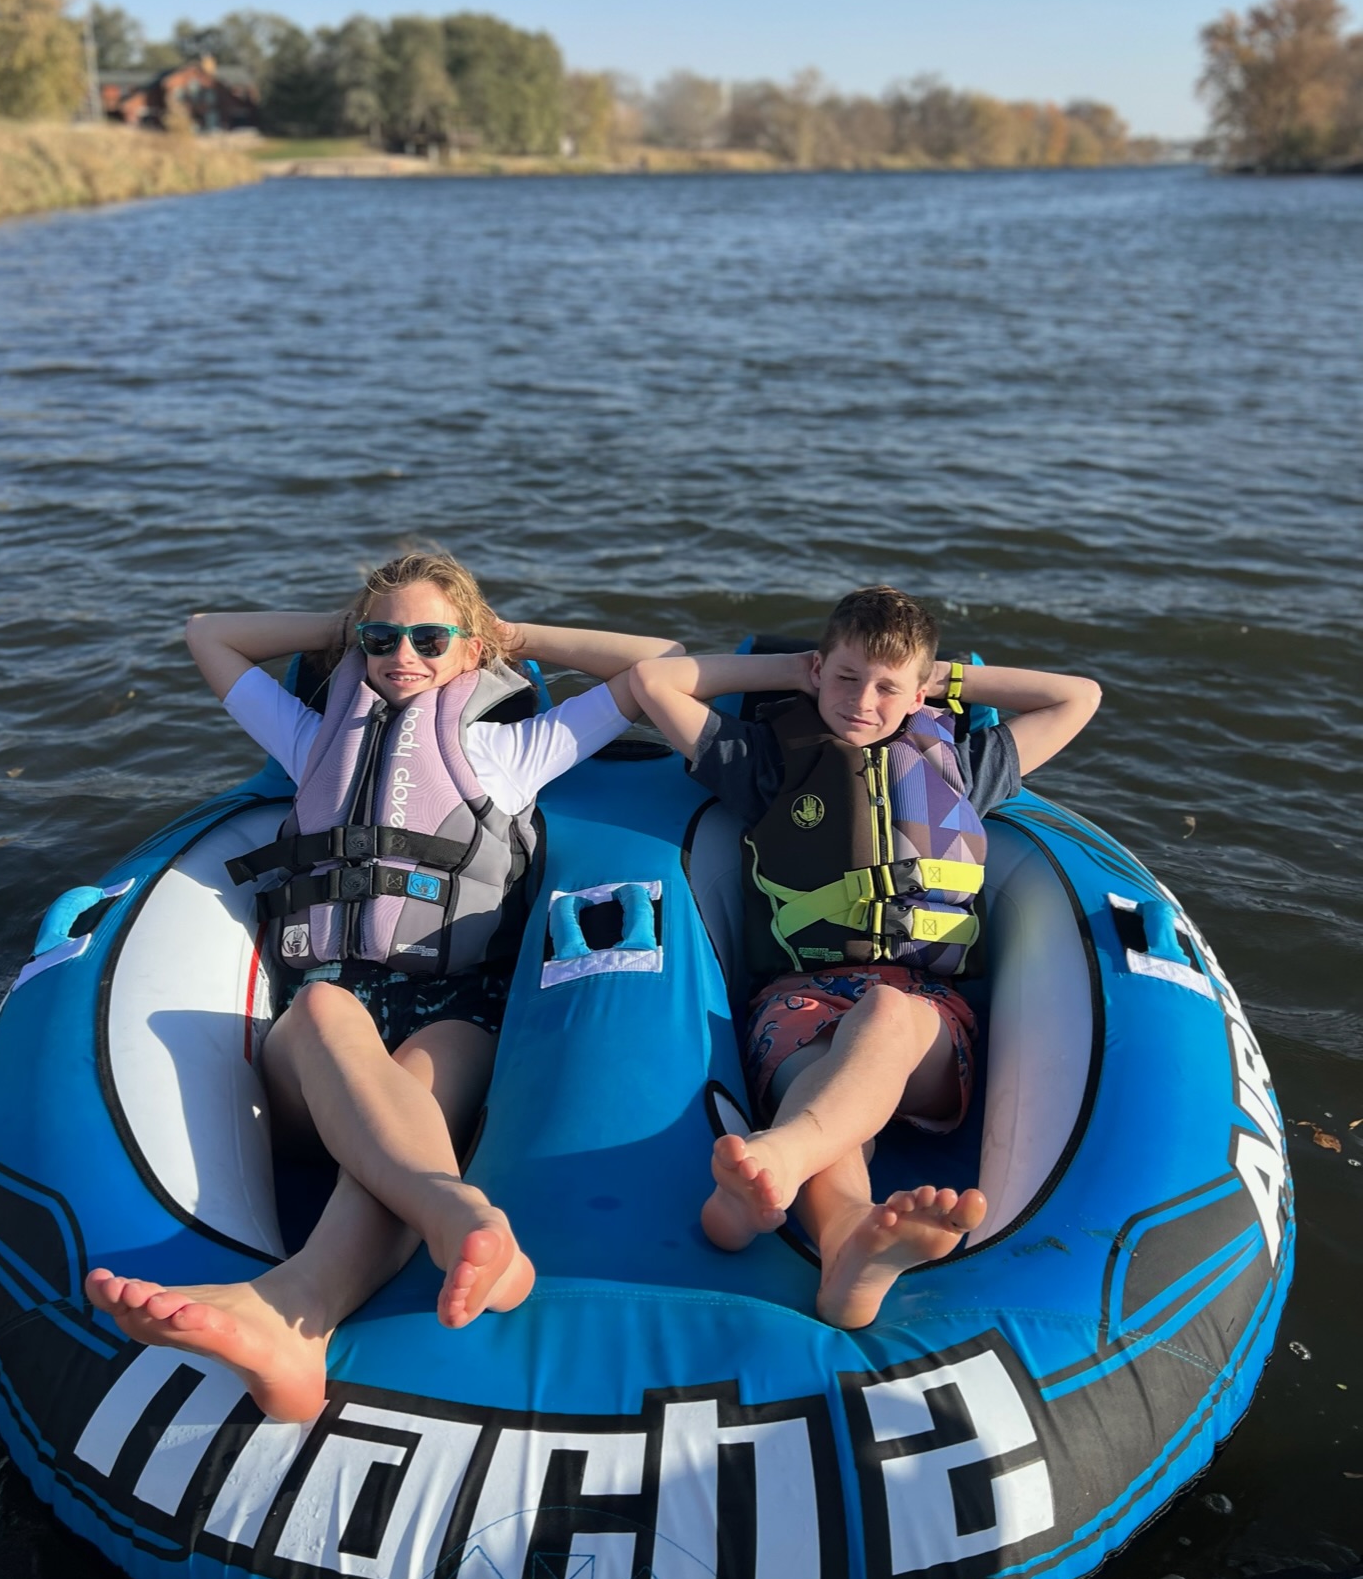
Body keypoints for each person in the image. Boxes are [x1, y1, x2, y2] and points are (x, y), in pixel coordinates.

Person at [86, 549, 681, 1421]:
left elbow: (661, 664)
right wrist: (342, 629)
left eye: (431, 639)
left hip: (454, 1010)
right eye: (381, 638)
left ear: (471, 650)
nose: (404, 655)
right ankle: (457, 1213)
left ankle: (297, 1313)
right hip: (327, 1021)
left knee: (416, 1088)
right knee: (325, 1009)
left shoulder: (511, 751)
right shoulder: (311, 739)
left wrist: (515, 634)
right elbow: (208, 634)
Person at [630, 586, 1100, 1330]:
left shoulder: (963, 766)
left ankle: (776, 1162)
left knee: (882, 1016)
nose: (862, 701)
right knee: (828, 1087)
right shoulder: (764, 761)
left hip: (921, 1015)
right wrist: (793, 669)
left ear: (919, 694)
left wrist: (943, 679)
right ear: (819, 671)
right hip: (800, 1000)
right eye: (846, 678)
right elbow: (654, 682)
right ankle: (848, 1238)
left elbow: (1079, 695)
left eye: (887, 687)